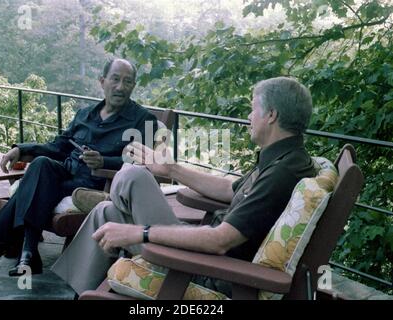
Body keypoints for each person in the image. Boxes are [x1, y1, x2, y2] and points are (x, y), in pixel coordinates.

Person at [51, 76, 316, 297]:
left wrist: (140, 232)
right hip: (205, 253)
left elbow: (220, 241)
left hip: (206, 267)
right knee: (106, 213)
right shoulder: (283, 159)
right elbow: (229, 190)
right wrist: (172, 169)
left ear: (271, 115)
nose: (249, 116)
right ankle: (80, 290)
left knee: (132, 176)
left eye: (253, 109)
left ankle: (115, 199)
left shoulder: (282, 173)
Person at [0, 58, 158, 277]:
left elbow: (144, 164)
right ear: (102, 81)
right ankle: (25, 253)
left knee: (28, 191)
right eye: (115, 79)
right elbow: (58, 146)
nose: (121, 87)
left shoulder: (143, 120)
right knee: (41, 163)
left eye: (127, 81)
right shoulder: (85, 114)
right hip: (65, 173)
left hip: (93, 186)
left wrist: (105, 162)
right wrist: (22, 149)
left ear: (133, 86)